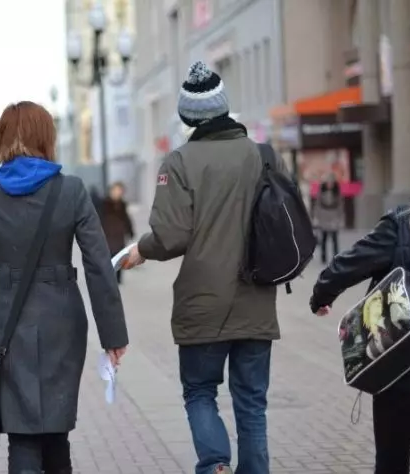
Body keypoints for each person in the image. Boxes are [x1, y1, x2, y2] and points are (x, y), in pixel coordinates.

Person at [124, 62, 286, 474]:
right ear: (224, 108)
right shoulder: (261, 155)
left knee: (199, 392)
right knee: (252, 404)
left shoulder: (179, 162)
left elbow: (170, 236)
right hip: (256, 300)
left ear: (186, 115)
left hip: (202, 304)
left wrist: (141, 250)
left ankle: (215, 465)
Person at [0, 101, 129, 474]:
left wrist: (8, 281)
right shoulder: (71, 190)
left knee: (22, 431)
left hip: (8, 319)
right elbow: (98, 265)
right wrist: (113, 334)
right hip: (62, 318)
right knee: (56, 426)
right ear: (46, 138)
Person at [310, 117, 410, 474]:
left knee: (391, 461)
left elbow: (345, 266)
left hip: (405, 366)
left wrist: (321, 295)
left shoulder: (404, 223)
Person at [100, 182, 134, 283]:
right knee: (108, 257)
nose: (117, 193)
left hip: (119, 235)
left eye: (120, 191)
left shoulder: (122, 205)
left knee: (120, 256)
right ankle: (109, 278)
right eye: (115, 190)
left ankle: (118, 279)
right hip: (107, 235)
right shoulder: (104, 204)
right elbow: (98, 219)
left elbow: (126, 219)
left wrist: (130, 231)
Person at [313, 172, 343, 264]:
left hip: (334, 217)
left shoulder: (337, 192)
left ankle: (336, 257)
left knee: (334, 239)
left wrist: (340, 217)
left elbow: (340, 205)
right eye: (328, 182)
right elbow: (317, 205)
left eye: (331, 182)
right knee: (324, 239)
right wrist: (316, 217)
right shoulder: (321, 191)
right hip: (324, 217)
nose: (330, 184)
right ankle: (323, 257)